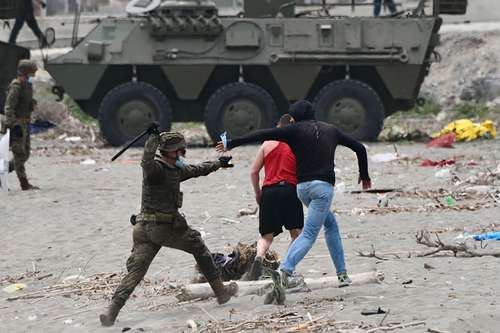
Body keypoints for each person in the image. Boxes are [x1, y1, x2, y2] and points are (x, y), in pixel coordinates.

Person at [216, 100, 371, 291]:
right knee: (308, 235)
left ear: (293, 118)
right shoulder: (331, 130)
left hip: (303, 189)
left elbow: (262, 134)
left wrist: (231, 143)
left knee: (330, 224)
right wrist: (364, 174)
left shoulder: (293, 130)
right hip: (322, 189)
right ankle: (284, 271)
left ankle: (342, 274)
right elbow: (360, 148)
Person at [100, 127, 238, 327]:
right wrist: (153, 138)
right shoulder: (156, 170)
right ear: (174, 151)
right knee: (198, 246)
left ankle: (111, 312)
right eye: (182, 151)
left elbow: (197, 169)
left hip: (143, 229)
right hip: (163, 228)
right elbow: (146, 162)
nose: (184, 154)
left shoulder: (175, 169)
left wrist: (218, 163)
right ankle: (221, 292)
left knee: (136, 272)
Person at [244, 114, 303, 281]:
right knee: (296, 234)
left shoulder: (267, 144)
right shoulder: (297, 145)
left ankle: (259, 258)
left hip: (269, 192)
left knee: (266, 236)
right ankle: (286, 267)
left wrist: (258, 193)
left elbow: (254, 172)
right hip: (290, 190)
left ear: (278, 126)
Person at [0, 59, 39, 191]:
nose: (35, 73)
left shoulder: (27, 85)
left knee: (25, 154)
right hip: (17, 125)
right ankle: (24, 183)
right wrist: (12, 124)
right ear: (26, 72)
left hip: (25, 123)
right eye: (33, 71)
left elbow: (26, 102)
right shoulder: (16, 86)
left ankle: (2, 174)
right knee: (19, 154)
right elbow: (8, 107)